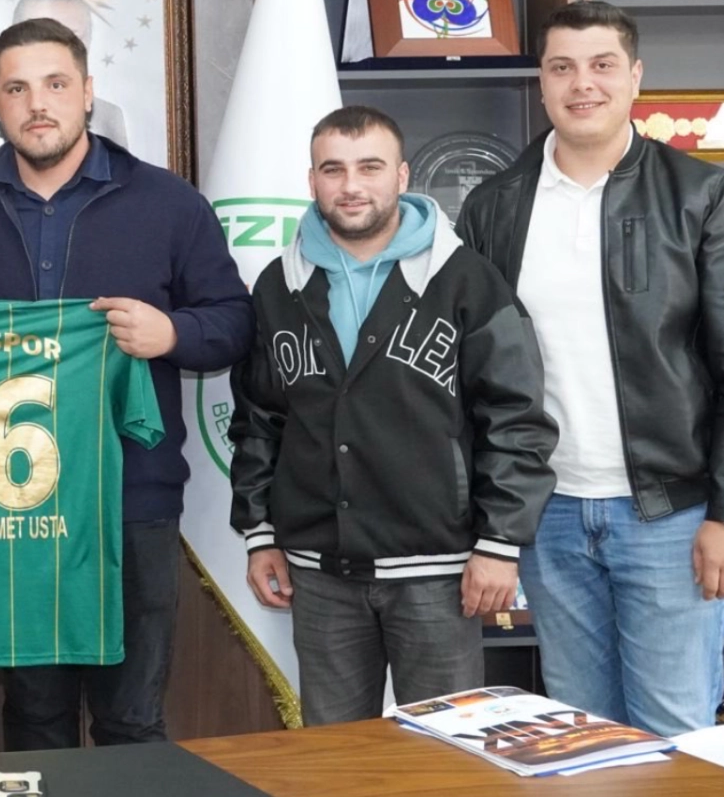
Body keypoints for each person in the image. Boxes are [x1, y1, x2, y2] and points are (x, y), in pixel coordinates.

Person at [0, 16, 255, 749]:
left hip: (131, 497)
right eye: (17, 88)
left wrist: (172, 334)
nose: (37, 103)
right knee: (32, 717)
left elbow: (235, 321)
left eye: (55, 84)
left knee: (130, 720)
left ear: (87, 93)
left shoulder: (170, 203)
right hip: (13, 505)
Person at [228, 105, 558, 725]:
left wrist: (499, 542)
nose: (351, 185)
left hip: (437, 574)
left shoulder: (466, 280)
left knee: (445, 752)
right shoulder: (279, 285)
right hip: (319, 574)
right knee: (336, 756)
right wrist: (259, 532)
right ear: (312, 181)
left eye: (370, 167)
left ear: (402, 176)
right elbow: (259, 418)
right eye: (333, 169)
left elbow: (516, 417)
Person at [459, 0, 724, 737]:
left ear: (635, 76)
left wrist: (723, 515)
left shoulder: (700, 194)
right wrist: (494, 522)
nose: (583, 83)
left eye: (602, 65)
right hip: (548, 514)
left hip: (670, 514)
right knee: (580, 735)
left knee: (676, 733)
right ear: (541, 83)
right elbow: (473, 380)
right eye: (562, 67)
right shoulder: (493, 206)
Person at [12, 0, 127, 146]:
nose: (58, 49)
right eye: (42, 36)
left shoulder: (107, 117)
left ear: (89, 40)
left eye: (73, 37)